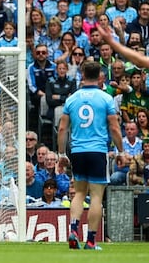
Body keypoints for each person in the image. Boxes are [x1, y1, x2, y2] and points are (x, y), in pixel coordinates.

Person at [57, 60, 126, 251]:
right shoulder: (105, 99)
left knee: (79, 192)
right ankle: (90, 241)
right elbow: (114, 127)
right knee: (96, 196)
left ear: (82, 74)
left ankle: (73, 231)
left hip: (78, 151)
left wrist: (61, 153)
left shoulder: (72, 99)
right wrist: (121, 151)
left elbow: (62, 128)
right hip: (97, 151)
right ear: (100, 76)